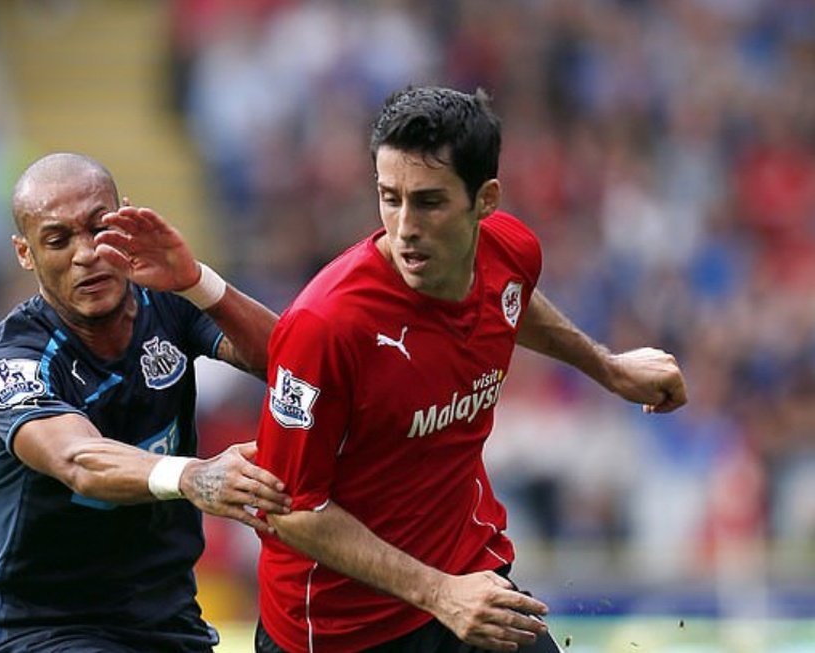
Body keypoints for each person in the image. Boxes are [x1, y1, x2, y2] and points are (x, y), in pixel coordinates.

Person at [253, 86, 688, 653]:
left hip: (464, 579)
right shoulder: (325, 325)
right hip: (341, 630)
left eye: (429, 202)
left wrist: (607, 367)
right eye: (389, 198)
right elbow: (288, 510)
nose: (404, 226)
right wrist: (440, 594)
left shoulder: (512, 251)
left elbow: (510, 296)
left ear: (485, 200)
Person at [0, 152, 291, 653]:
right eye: (58, 239)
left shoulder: (168, 303)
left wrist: (197, 282)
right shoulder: (11, 360)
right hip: (35, 633)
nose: (86, 252)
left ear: (126, 219)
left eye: (99, 227)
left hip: (167, 624)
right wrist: (189, 475)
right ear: (25, 253)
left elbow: (292, 366)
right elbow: (79, 461)